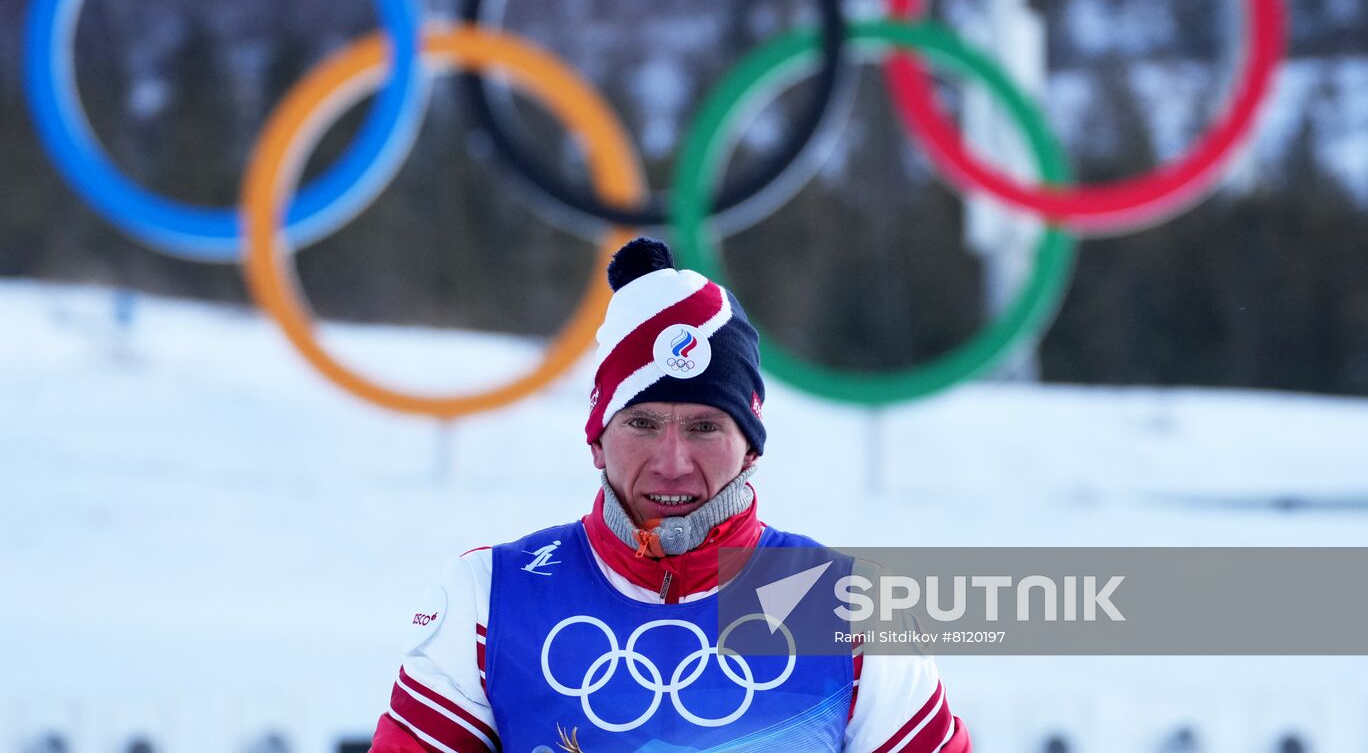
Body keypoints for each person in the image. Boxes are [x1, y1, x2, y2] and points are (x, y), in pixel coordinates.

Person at [369, 237, 971, 752]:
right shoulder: (490, 596)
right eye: (643, 423)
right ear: (597, 440)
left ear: (752, 447)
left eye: (705, 427)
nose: (673, 463)